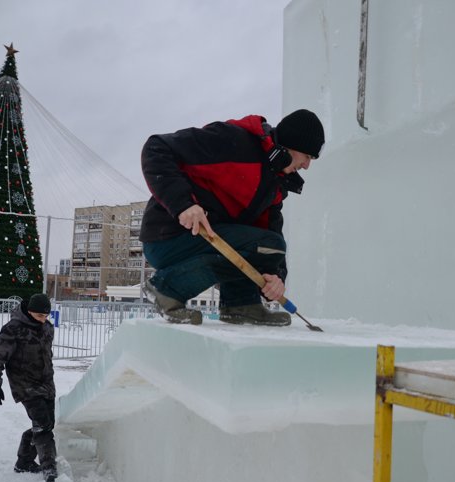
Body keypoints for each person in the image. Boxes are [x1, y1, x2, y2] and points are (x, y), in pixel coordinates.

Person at [139, 109, 325, 326]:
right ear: (292, 144)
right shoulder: (232, 141)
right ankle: (166, 289)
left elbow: (269, 239)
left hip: (203, 242)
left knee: (272, 247)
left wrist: (276, 277)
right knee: (268, 245)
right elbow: (156, 148)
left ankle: (241, 304)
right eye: (307, 156)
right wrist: (183, 205)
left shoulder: (275, 184)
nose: (307, 165)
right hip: (169, 238)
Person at [0, 293, 58, 482]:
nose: (44, 320)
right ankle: (49, 467)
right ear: (30, 311)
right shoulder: (13, 329)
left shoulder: (47, 328)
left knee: (47, 423)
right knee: (42, 425)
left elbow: (46, 355)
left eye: (46, 316)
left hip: (46, 383)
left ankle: (24, 461)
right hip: (25, 384)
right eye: (40, 316)